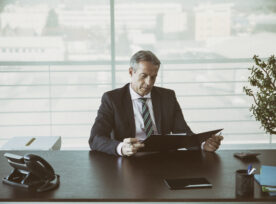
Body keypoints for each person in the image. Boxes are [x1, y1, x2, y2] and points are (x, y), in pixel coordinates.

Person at [89, 50, 223, 156]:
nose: (149, 82)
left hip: (163, 159)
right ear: (131, 72)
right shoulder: (112, 99)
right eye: (144, 76)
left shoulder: (168, 96)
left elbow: (183, 133)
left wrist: (203, 145)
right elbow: (95, 138)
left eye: (153, 77)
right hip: (129, 160)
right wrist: (121, 148)